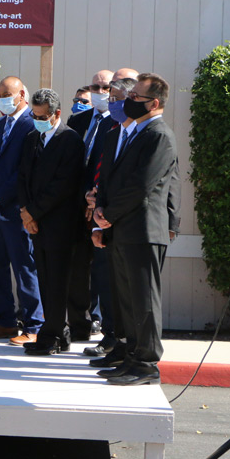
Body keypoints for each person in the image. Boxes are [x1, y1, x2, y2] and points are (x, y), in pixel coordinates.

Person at [93, 73, 180, 386]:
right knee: (126, 300)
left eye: (135, 98)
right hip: (123, 229)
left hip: (144, 231)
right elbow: (112, 179)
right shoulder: (132, 133)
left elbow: (141, 185)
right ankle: (131, 356)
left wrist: (108, 215)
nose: (127, 101)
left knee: (143, 301)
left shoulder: (159, 136)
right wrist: (101, 214)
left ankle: (146, 363)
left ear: (154, 103)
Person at [0, 76, 42, 344]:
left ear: (22, 94)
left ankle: (34, 325)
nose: (2, 97)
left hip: (17, 211)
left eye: (7, 93)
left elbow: (26, 170)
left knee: (25, 267)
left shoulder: (33, 126)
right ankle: (5, 322)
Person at [16, 89, 85, 354]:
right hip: (35, 223)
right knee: (44, 278)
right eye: (34, 114)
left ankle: (54, 334)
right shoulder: (32, 137)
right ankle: (55, 329)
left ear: (56, 113)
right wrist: (25, 212)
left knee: (58, 280)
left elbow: (63, 185)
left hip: (60, 223)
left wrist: (33, 211)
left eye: (42, 115)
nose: (36, 119)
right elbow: (22, 176)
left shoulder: (70, 140)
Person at [83, 74, 136, 358]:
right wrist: (91, 197)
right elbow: (96, 170)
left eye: (116, 97)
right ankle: (111, 335)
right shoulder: (108, 128)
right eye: (109, 97)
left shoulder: (144, 132)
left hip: (124, 221)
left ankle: (127, 342)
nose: (110, 101)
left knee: (126, 287)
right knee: (104, 278)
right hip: (101, 216)